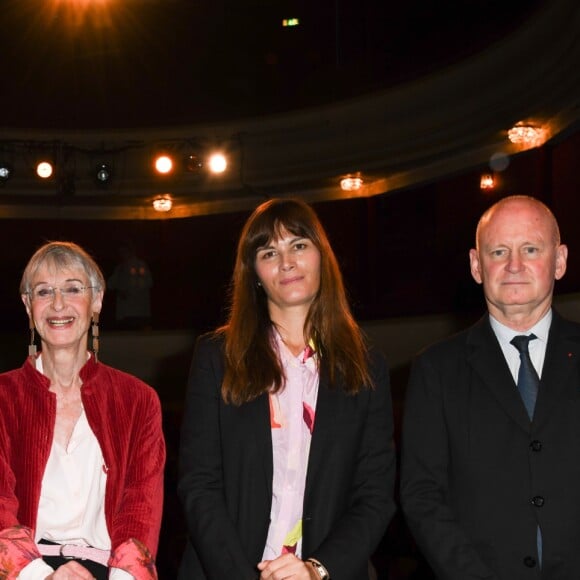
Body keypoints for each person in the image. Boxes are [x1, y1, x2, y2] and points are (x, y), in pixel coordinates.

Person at [178, 198, 395, 580]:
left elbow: (374, 496)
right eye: (268, 252)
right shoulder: (216, 357)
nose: (287, 262)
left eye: (298, 245)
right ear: (254, 273)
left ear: (321, 257)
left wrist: (316, 570)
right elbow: (199, 486)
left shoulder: (367, 364)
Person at [400, 195, 578, 579]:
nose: (514, 265)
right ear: (476, 266)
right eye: (499, 251)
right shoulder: (435, 370)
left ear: (560, 260)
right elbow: (422, 496)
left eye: (530, 248)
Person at [0, 241, 165, 580]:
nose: (58, 304)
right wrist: (41, 575)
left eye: (73, 289)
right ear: (28, 305)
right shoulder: (2, 397)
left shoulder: (139, 400)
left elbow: (141, 508)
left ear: (98, 300)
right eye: (44, 291)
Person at [108, 244, 153, 330]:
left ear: (131, 251)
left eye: (124, 251)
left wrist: (132, 292)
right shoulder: (120, 268)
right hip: (124, 313)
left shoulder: (140, 265)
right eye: (121, 252)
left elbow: (148, 283)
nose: (122, 254)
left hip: (139, 312)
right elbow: (110, 285)